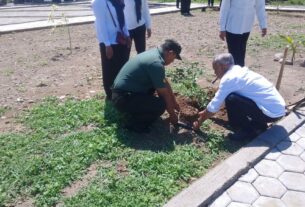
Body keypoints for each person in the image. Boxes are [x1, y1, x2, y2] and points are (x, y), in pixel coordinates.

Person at [193, 53, 286, 140]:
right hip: (277, 110)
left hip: (271, 114)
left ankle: (246, 131)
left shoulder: (229, 78)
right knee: (235, 97)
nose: (215, 72)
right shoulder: (239, 71)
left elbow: (214, 105)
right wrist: (205, 111)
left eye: (215, 69)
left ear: (222, 66)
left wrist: (200, 121)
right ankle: (259, 125)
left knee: (231, 99)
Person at [112, 39, 182, 133]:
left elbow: (164, 81)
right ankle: (134, 125)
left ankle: (136, 111)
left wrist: (174, 102)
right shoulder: (156, 63)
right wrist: (172, 115)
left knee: (157, 94)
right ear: (170, 53)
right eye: (174, 58)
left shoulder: (154, 54)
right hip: (122, 98)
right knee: (161, 105)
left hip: (123, 93)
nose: (173, 61)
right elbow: (164, 95)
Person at [92, 0, 131, 100]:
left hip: (120, 38)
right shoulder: (99, 2)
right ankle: (110, 94)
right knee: (109, 69)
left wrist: (127, 34)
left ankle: (120, 91)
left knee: (122, 67)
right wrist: (107, 45)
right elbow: (101, 24)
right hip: (108, 41)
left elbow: (122, 18)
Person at [219, 0, 267, 67]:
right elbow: (224, 8)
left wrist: (263, 25)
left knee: (241, 53)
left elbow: (260, 7)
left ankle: (240, 72)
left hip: (246, 26)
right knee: (234, 55)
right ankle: (235, 73)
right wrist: (222, 28)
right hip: (232, 26)